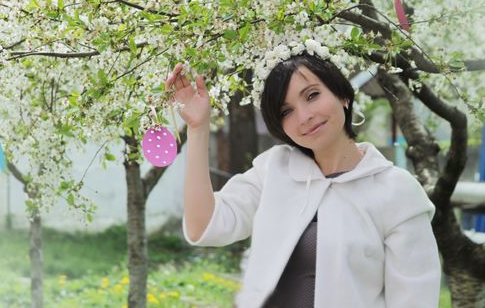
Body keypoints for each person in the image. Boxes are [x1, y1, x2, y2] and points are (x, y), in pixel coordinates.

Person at [166, 49, 441, 308]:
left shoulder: (397, 191)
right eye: (287, 111)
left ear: (342, 95)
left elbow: (414, 299)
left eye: (312, 95)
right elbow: (203, 226)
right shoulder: (273, 171)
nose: (305, 117)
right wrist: (198, 128)